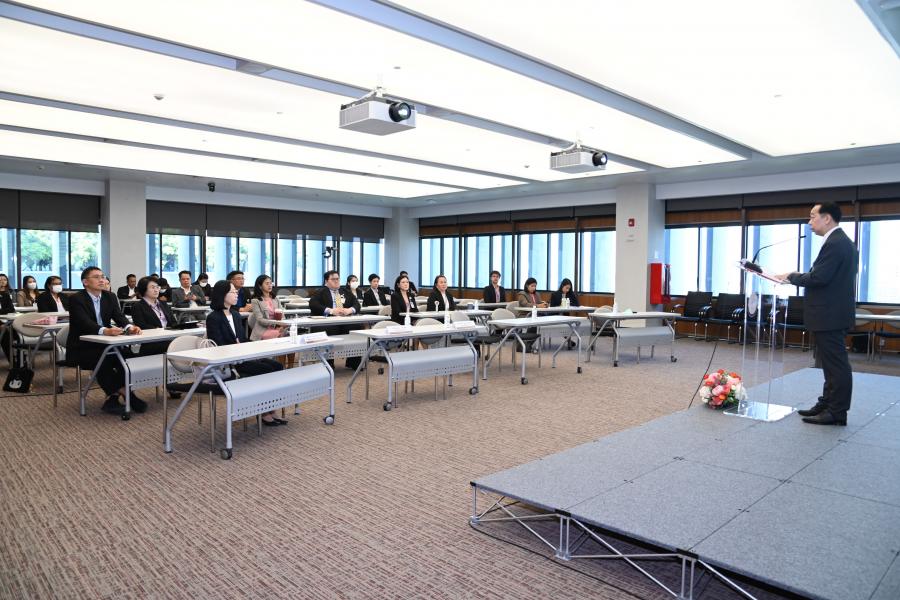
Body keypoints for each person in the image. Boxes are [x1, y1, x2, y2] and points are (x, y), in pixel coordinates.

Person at [776, 202, 857, 426]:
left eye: (813, 216)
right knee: (830, 364)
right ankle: (827, 403)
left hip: (830, 315)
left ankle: (837, 412)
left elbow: (819, 278)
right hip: (831, 313)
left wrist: (792, 276)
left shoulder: (836, 243)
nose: (809, 222)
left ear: (827, 218)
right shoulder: (838, 241)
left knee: (836, 365)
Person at [66, 267, 144, 416]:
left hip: (106, 343)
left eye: (102, 276)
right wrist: (104, 330)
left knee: (127, 358)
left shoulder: (110, 296)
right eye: (96, 277)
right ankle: (127, 394)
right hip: (82, 346)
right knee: (103, 360)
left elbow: (119, 316)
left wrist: (130, 327)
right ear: (85, 282)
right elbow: (84, 322)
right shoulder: (76, 298)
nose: (101, 280)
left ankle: (112, 398)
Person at [206, 281, 285, 426]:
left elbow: (242, 339)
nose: (236, 294)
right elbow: (217, 346)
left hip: (244, 356)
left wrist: (254, 346)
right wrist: (236, 347)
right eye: (232, 292)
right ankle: (264, 411)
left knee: (277, 366)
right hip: (230, 362)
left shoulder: (236, 315)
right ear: (222, 295)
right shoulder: (213, 318)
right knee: (266, 369)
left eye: (236, 292)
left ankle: (271, 407)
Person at [309, 270, 362, 369]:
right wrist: (331, 311)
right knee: (330, 329)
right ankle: (328, 364)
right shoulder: (320, 292)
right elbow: (313, 305)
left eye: (337, 279)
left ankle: (353, 362)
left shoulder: (345, 292)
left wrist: (349, 310)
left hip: (344, 320)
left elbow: (357, 305)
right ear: (326, 281)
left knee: (357, 327)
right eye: (333, 279)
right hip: (327, 321)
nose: (336, 281)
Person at [130, 276, 176, 356]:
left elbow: (173, 322)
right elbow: (142, 325)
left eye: (157, 287)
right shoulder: (137, 306)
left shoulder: (163, 304)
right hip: (153, 342)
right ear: (144, 289)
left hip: (169, 339)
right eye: (152, 287)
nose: (156, 290)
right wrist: (160, 331)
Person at [249, 274, 285, 341]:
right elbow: (260, 320)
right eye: (267, 283)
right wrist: (275, 324)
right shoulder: (255, 301)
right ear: (260, 286)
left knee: (289, 332)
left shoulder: (275, 299)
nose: (270, 285)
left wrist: (281, 325)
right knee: (279, 334)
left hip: (277, 327)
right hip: (263, 329)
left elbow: (282, 315)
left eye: (271, 283)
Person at [0, 274, 14, 364]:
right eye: (0, 280)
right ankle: (13, 362)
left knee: (14, 329)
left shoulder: (6, 294)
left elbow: (11, 309)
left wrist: (2, 311)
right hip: (2, 322)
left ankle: (19, 360)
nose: (2, 281)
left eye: (4, 279)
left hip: (5, 320)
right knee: (4, 330)